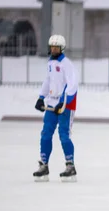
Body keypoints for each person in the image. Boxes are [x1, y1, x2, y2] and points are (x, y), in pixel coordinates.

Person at [32, 34, 78, 182]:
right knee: (45, 134)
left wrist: (64, 102)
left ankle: (70, 166)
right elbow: (48, 81)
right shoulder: (50, 63)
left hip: (65, 105)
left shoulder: (67, 64)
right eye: (52, 47)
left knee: (64, 135)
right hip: (51, 104)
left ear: (62, 48)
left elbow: (72, 85)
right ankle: (44, 165)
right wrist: (41, 97)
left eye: (56, 47)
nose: (53, 49)